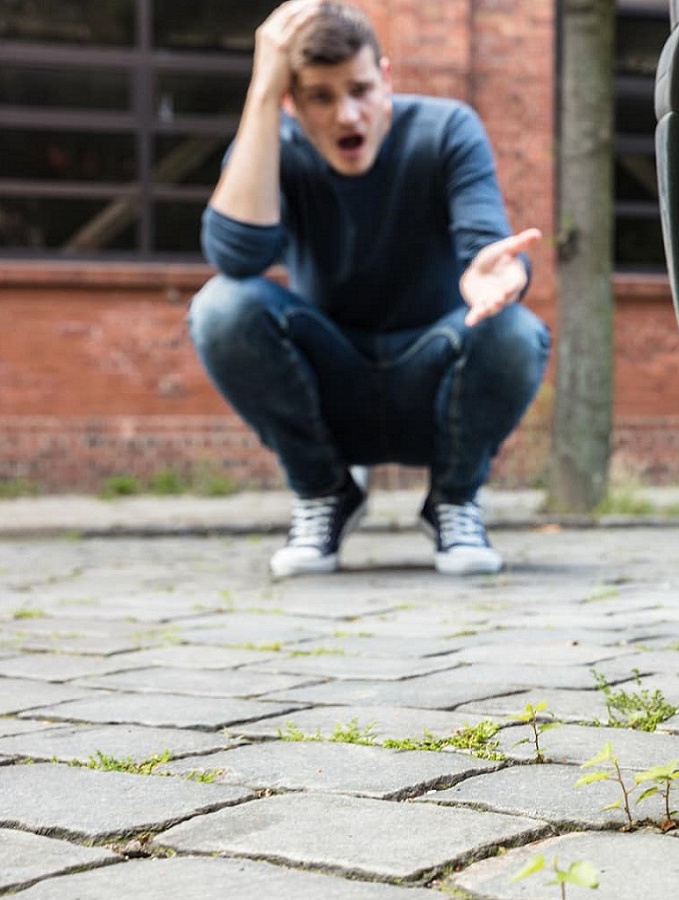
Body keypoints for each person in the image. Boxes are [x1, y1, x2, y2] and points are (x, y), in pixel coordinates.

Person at [188, 0, 549, 578]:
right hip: (333, 383)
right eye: (320, 98)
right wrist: (261, 95)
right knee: (222, 308)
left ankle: (454, 501)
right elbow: (237, 257)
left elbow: (490, 248)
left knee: (514, 330)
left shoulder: (446, 128)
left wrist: (502, 275)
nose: (345, 116)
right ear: (292, 101)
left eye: (359, 89)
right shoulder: (272, 144)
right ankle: (324, 494)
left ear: (385, 76)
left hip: (433, 378)